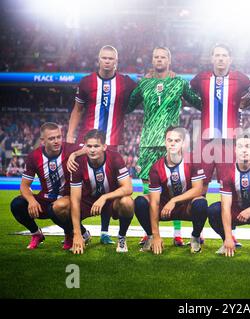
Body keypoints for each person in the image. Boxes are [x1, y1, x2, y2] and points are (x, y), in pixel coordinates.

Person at [128, 46, 202, 247]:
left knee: (176, 187)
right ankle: (150, 233)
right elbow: (127, 105)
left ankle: (178, 233)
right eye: (156, 57)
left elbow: (199, 102)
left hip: (172, 142)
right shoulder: (145, 83)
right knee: (147, 189)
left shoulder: (179, 82)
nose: (159, 60)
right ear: (152, 60)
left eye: (163, 57)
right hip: (149, 143)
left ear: (169, 60)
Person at [67, 45, 137, 245]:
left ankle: (105, 231)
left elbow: (143, 92)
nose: (107, 61)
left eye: (111, 58)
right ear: (98, 59)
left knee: (108, 187)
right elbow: (77, 109)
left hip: (111, 144)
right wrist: (71, 138)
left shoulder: (126, 83)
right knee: (80, 187)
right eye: (104, 58)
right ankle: (74, 232)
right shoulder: (87, 82)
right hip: (86, 143)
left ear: (117, 60)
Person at [190, 43, 250, 247]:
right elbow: (187, 91)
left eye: (224, 55)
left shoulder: (240, 78)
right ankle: (196, 234)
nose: (220, 59)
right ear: (211, 58)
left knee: (229, 188)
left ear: (230, 59)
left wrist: (243, 105)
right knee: (201, 187)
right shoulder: (201, 78)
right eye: (217, 55)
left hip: (229, 143)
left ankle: (229, 234)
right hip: (206, 141)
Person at [10, 122, 87, 250]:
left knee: (56, 207)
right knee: (17, 204)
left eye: (58, 137)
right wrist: (31, 201)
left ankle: (69, 234)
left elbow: (88, 147)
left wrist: (75, 154)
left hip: (67, 200)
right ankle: (36, 234)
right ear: (42, 141)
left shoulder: (70, 149)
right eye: (51, 138)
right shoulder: (34, 157)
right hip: (45, 200)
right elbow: (24, 186)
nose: (56, 141)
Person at [133, 126, 208, 254]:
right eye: (169, 140)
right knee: (140, 201)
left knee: (201, 203)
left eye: (177, 140)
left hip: (186, 206)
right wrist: (156, 235)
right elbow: (155, 202)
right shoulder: (156, 167)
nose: (172, 143)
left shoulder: (193, 162)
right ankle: (150, 237)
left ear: (183, 143)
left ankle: (195, 236)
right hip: (165, 208)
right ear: (165, 142)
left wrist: (174, 200)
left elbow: (198, 190)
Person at [69, 129, 134, 254]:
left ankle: (121, 237)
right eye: (89, 146)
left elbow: (128, 188)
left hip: (110, 201)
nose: (92, 150)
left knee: (127, 202)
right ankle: (82, 234)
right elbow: (75, 200)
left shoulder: (115, 157)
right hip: (89, 202)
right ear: (85, 147)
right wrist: (76, 233)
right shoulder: (78, 163)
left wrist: (104, 197)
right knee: (62, 207)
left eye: (96, 146)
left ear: (104, 147)